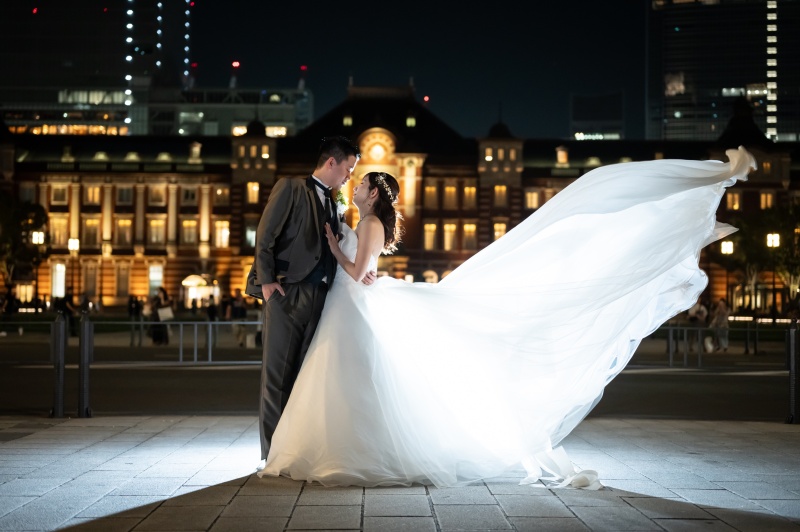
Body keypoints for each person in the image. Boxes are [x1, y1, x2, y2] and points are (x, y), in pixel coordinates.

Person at [259, 147, 757, 489]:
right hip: (343, 306)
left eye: (361, 181)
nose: (354, 182)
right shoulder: (356, 216)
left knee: (349, 381)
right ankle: (343, 446)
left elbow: (362, 273)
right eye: (354, 175)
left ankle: (348, 450)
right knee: (349, 382)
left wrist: (334, 249)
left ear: (374, 196)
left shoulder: (364, 221)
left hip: (353, 302)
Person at [247, 136, 373, 466]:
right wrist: (268, 281)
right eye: (348, 169)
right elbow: (265, 236)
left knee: (303, 379)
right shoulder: (290, 188)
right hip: (286, 294)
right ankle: (271, 454)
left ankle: (292, 450)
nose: (349, 176)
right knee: (276, 377)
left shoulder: (334, 204)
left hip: (321, 299)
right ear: (331, 162)